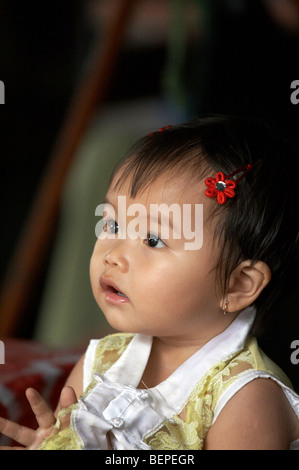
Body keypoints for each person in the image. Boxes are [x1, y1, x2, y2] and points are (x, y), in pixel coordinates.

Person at [1, 116, 299, 450]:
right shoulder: (101, 362)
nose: (113, 254)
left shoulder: (245, 398)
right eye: (112, 225)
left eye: (153, 240)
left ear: (238, 285)